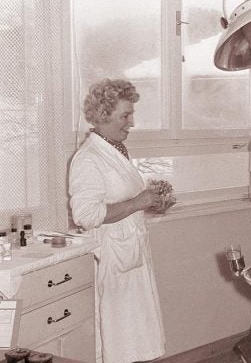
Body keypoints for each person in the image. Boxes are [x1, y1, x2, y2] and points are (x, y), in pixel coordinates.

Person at [69, 79, 171, 363]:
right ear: (103, 116)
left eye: (131, 114)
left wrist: (153, 203)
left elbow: (124, 203)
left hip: (130, 255)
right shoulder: (87, 159)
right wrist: (140, 202)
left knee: (134, 342)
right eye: (125, 116)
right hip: (112, 262)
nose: (132, 122)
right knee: (117, 345)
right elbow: (86, 215)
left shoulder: (116, 150)